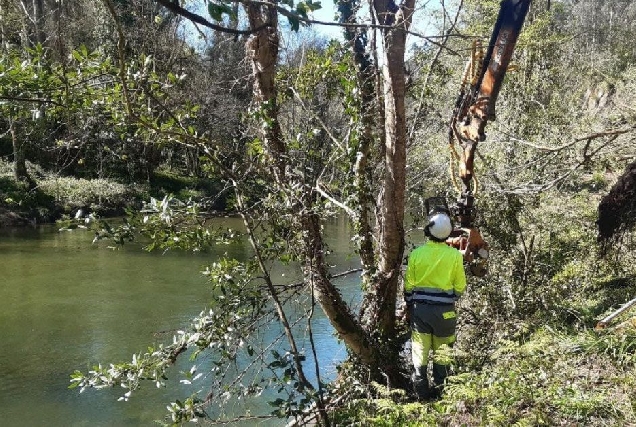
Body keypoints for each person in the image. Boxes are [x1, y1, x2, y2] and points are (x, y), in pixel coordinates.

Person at [404, 205, 467, 400]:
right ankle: (441, 393)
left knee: (420, 351)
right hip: (445, 313)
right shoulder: (455, 256)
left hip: (420, 311)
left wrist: (409, 303)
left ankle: (422, 394)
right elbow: (460, 287)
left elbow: (408, 286)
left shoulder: (416, 254)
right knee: (442, 353)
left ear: (428, 231)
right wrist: (448, 299)